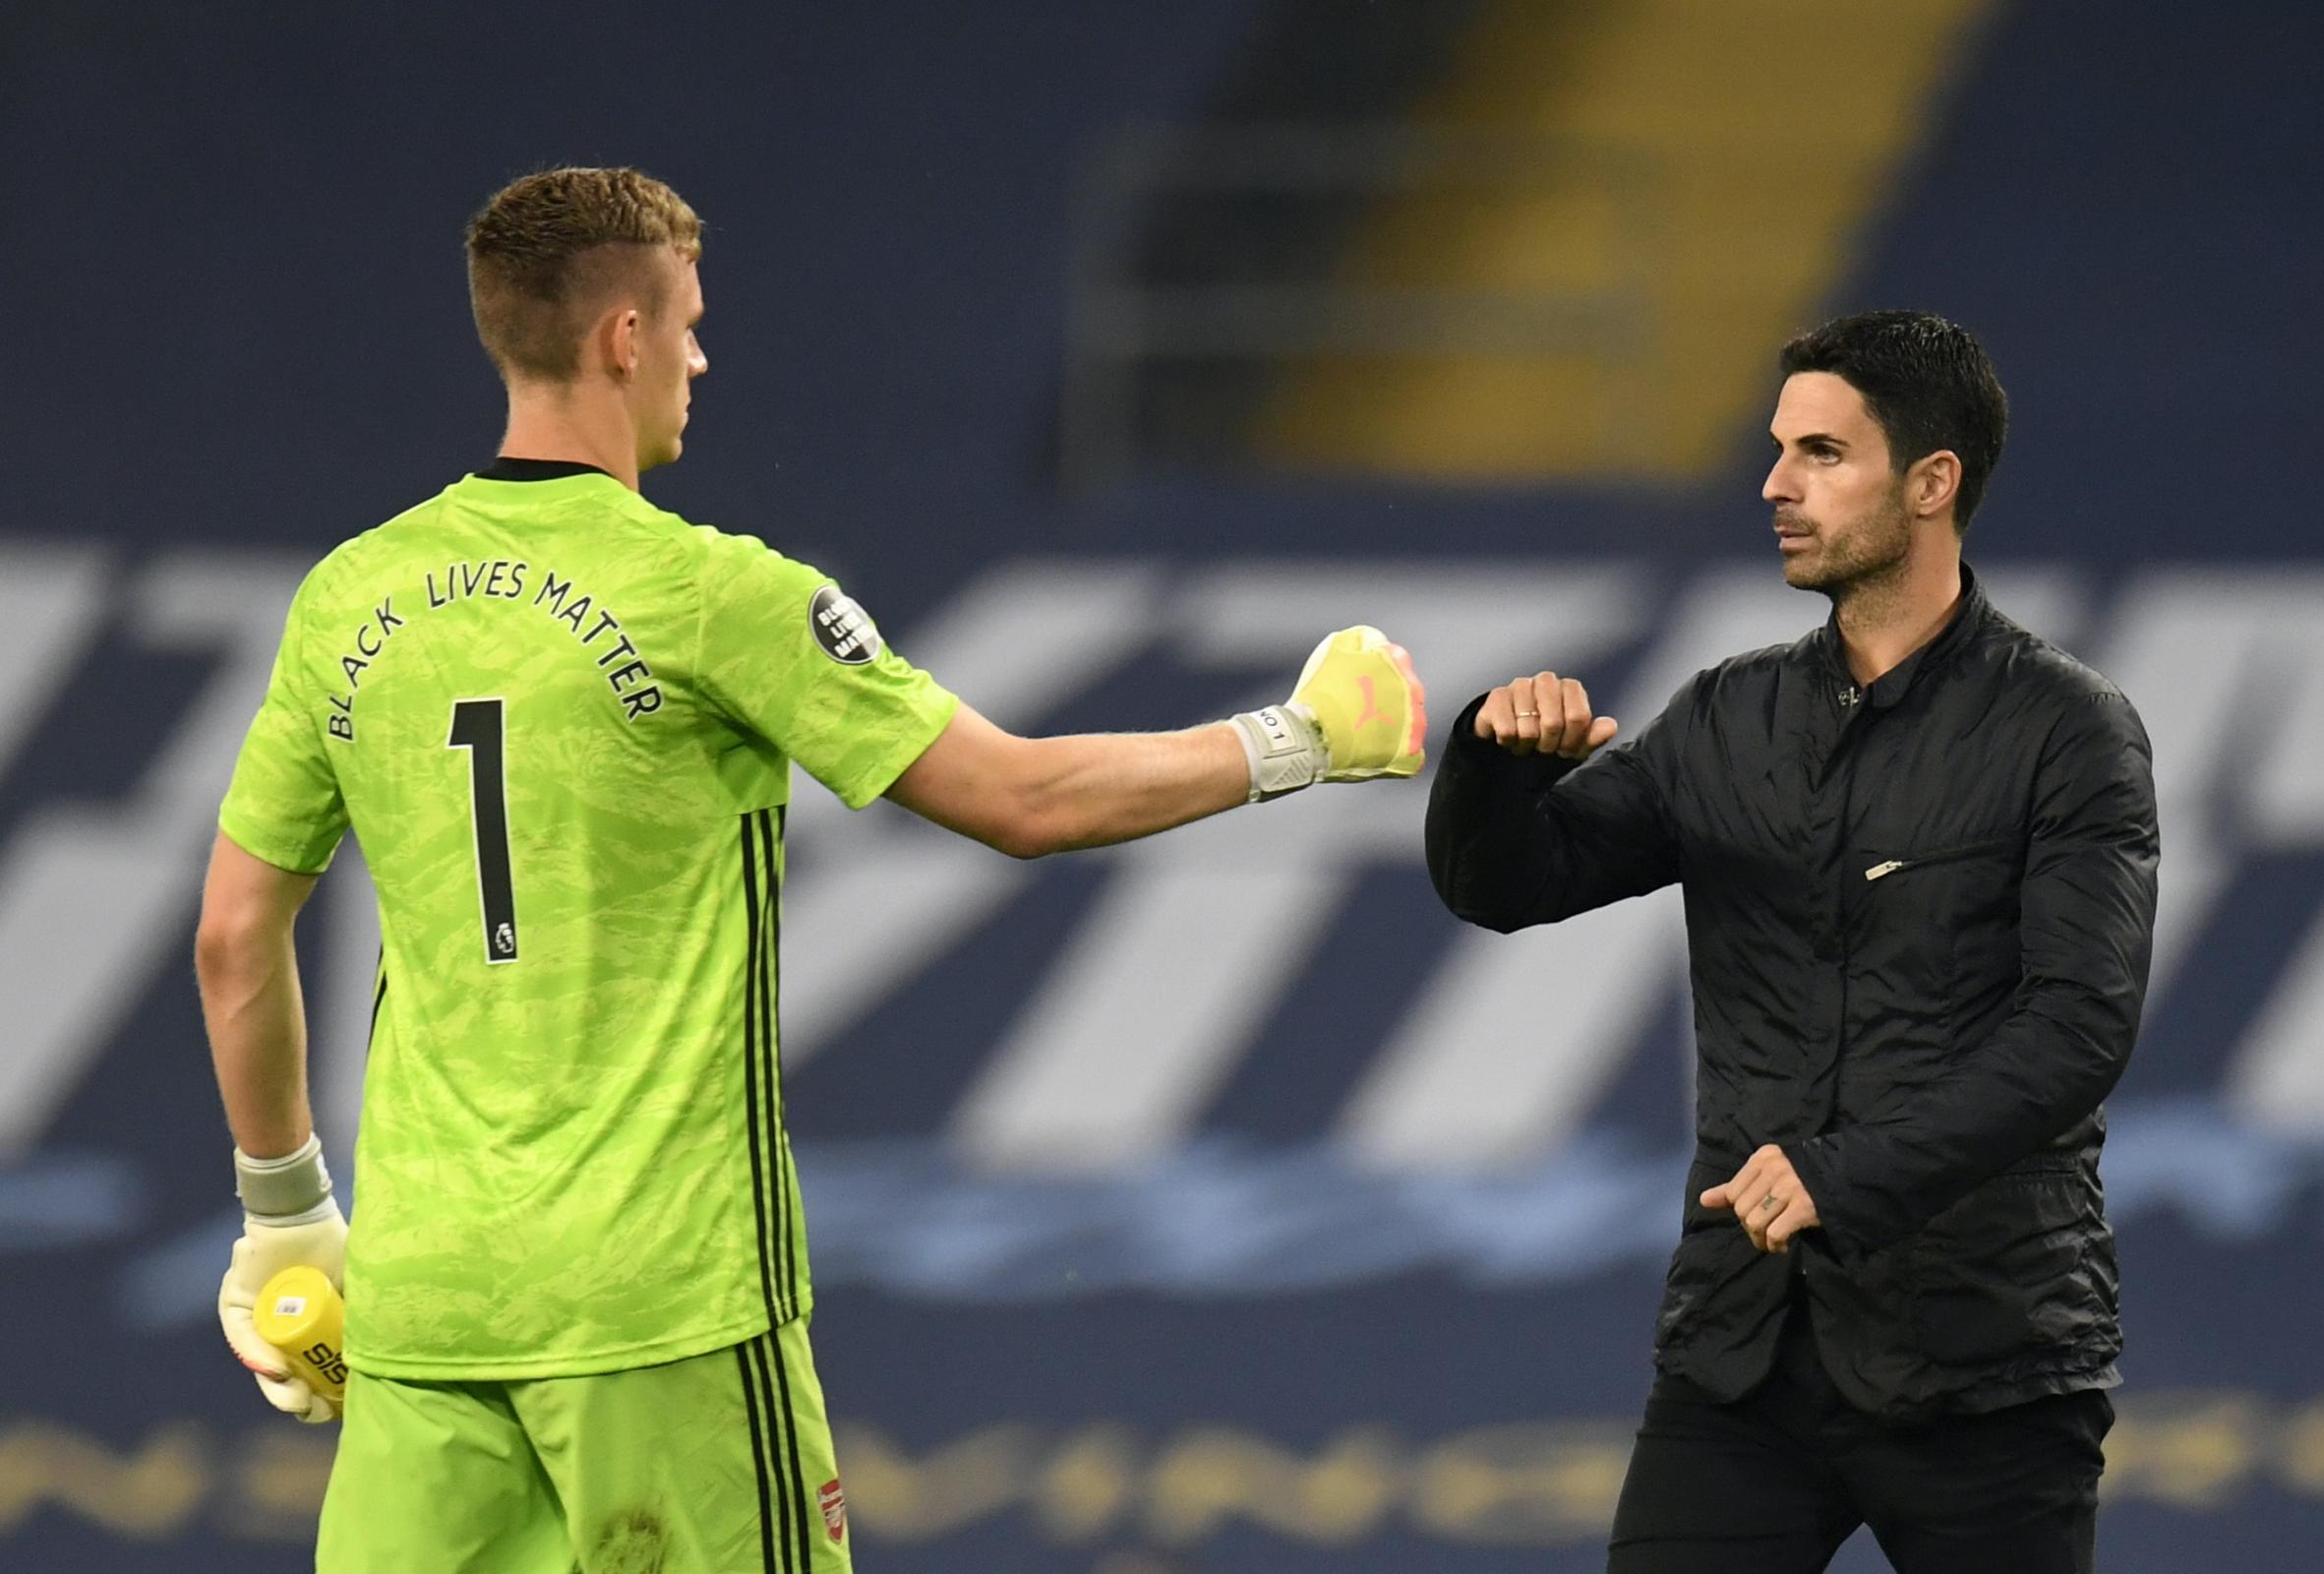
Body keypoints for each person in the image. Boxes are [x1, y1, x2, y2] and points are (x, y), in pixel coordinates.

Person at [195, 165, 1426, 1574]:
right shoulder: (713, 595)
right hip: (662, 1313)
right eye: (692, 323)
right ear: (621, 339)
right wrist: (1297, 740)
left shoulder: (349, 597)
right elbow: (1019, 799)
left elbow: (237, 934)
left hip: (428, 1310)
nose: (702, 359)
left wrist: (283, 1219)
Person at [1425, 310, 2158, 1574]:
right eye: (1778, 450)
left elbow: (2076, 1028)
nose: (1774, 484)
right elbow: (1512, 885)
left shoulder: (2068, 730)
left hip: (1988, 1363)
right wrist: (1492, 767)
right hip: (1745, 1354)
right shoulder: (1727, 716)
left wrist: (1843, 1172)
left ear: (1932, 484)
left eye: (1822, 452)